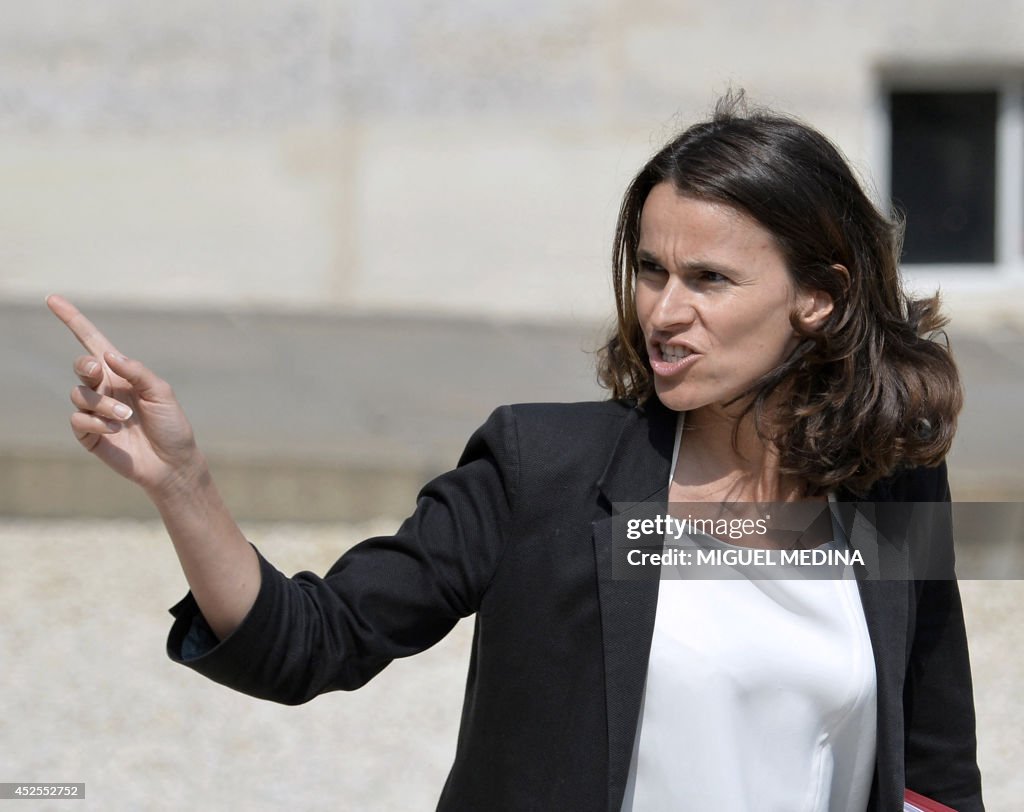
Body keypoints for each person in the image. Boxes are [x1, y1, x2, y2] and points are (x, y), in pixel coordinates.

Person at [49, 94, 984, 811]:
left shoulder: (888, 484)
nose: (664, 311)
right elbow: (309, 642)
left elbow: (935, 758)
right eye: (652, 270)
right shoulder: (545, 472)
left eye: (709, 279)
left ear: (818, 296)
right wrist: (184, 484)